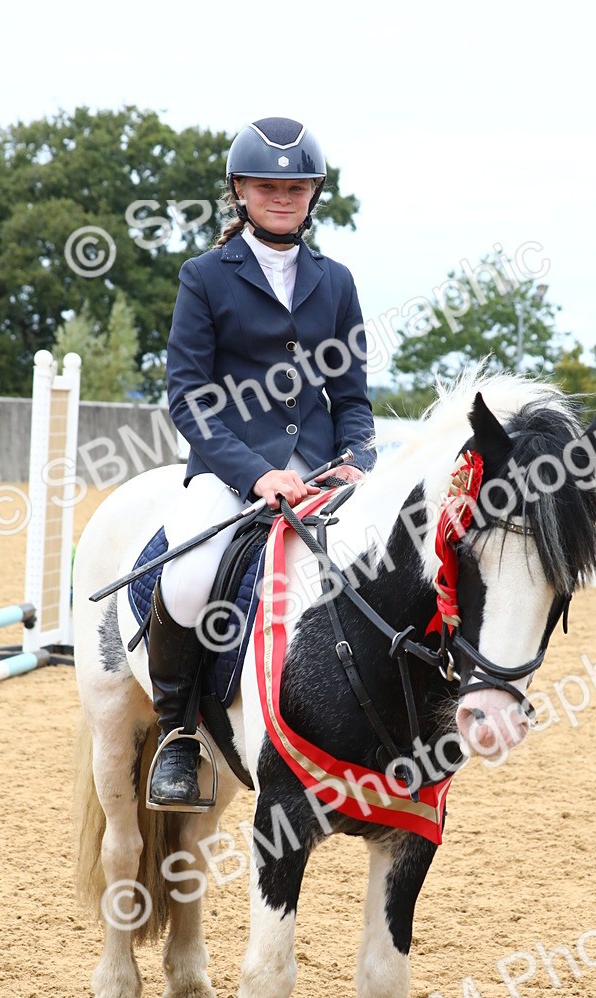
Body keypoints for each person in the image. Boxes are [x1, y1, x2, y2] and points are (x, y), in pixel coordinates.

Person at [148, 117, 376, 809]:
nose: (282, 195)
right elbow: (187, 397)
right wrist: (254, 473)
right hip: (229, 470)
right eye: (267, 185)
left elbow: (354, 397)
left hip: (323, 474)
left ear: (313, 195)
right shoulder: (205, 277)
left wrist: (356, 460)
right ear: (239, 191)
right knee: (188, 582)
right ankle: (177, 737)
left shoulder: (336, 282)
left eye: (296, 186)